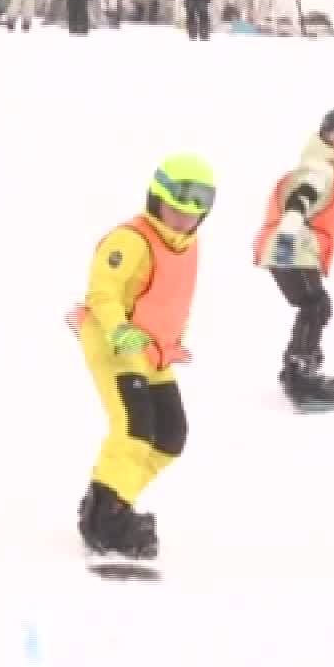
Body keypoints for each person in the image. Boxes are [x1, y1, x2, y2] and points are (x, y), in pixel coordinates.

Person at [68, 153, 217, 566]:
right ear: (155, 200)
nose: (183, 221)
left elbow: (172, 298)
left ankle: (113, 499)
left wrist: (172, 341)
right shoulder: (130, 240)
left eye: (193, 214)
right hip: (115, 342)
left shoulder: (189, 245)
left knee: (170, 436)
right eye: (174, 211)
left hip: (152, 351)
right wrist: (118, 329)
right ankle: (105, 515)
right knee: (134, 428)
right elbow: (103, 292)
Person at [254, 109, 334, 410]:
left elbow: (331, 225)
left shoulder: (330, 171)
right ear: (327, 138)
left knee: (315, 305)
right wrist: (286, 238)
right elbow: (299, 201)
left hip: (297, 247)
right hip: (291, 247)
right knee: (315, 305)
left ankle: (299, 365)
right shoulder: (320, 169)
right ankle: (300, 370)